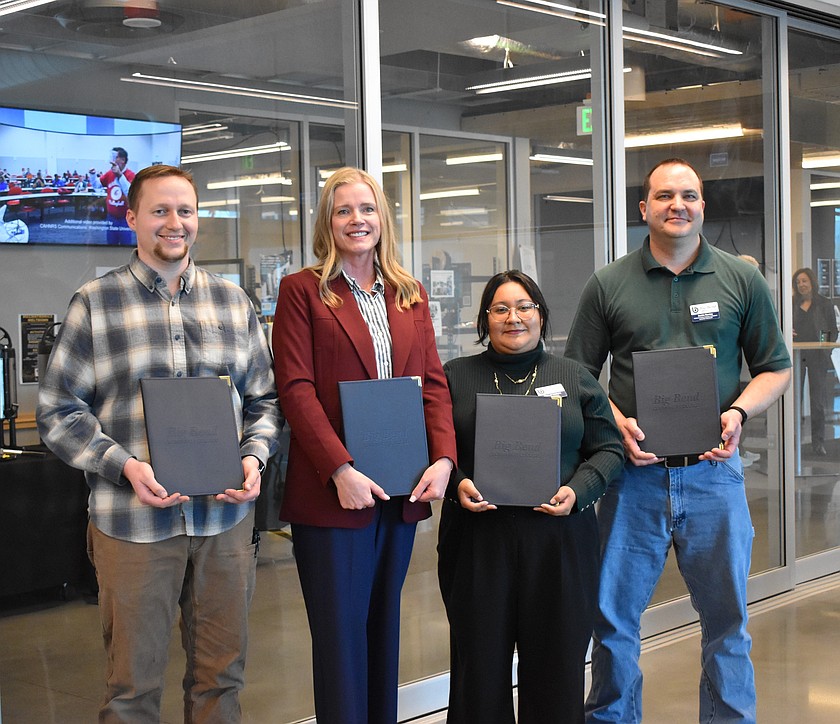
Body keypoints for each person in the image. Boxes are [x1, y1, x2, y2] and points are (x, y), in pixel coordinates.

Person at [37, 164, 282, 722]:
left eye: (186, 211)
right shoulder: (95, 304)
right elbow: (56, 411)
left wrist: (253, 456)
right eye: (160, 211)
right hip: (132, 525)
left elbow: (264, 402)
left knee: (222, 681)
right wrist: (123, 466)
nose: (175, 223)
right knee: (132, 691)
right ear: (131, 219)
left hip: (223, 523)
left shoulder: (233, 303)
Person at [565, 158, 792, 723]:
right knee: (613, 621)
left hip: (714, 477)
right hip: (631, 479)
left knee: (728, 621)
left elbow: (776, 367)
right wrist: (616, 420)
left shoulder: (741, 280)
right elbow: (577, 375)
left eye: (688, 195)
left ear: (702, 207)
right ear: (643, 209)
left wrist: (738, 410)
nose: (678, 205)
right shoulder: (609, 283)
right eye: (664, 196)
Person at [272, 166, 457, 724]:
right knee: (340, 643)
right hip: (334, 495)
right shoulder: (303, 291)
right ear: (327, 222)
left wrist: (444, 458)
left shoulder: (408, 293)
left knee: (383, 633)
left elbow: (432, 383)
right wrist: (340, 469)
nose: (358, 219)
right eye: (344, 209)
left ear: (383, 220)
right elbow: (295, 389)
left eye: (368, 208)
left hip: (400, 489)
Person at [438, 270, 624, 724]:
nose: (513, 317)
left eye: (525, 307)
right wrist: (457, 482)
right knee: (478, 674)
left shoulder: (575, 377)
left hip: (559, 544)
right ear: (485, 320)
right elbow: (432, 451)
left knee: (557, 673)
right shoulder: (453, 377)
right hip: (478, 544)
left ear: (541, 316)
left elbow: (610, 448)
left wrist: (578, 491)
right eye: (500, 309)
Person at [793, 266, 838, 456]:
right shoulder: (791, 303)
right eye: (798, 282)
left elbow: (833, 332)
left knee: (817, 400)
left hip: (817, 356)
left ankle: (818, 443)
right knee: (794, 399)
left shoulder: (824, 303)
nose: (801, 285)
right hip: (796, 356)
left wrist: (822, 342)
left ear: (812, 282)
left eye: (804, 280)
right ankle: (792, 440)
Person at [99, 146, 135, 243]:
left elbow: (130, 193)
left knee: (125, 246)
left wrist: (119, 175)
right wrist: (92, 175)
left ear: (123, 160)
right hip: (111, 217)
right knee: (110, 245)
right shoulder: (109, 173)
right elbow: (97, 186)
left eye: (115, 157)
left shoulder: (131, 175)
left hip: (125, 219)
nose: (112, 160)